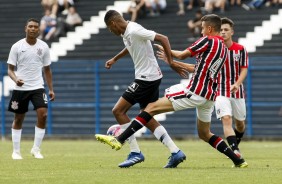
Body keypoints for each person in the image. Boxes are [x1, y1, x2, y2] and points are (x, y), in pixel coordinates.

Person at [96, 14, 248, 168]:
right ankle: (238, 160)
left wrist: (169, 57)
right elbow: (198, 68)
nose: (201, 32)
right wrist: (173, 61)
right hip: (209, 96)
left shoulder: (207, 40)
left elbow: (183, 54)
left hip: (194, 91)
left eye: (202, 28)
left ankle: (120, 139)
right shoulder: (223, 47)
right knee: (204, 134)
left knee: (150, 108)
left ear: (209, 28)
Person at [98, 10, 187, 168]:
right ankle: (175, 151)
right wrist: (115, 59)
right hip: (151, 77)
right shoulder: (127, 33)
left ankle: (135, 152)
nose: (110, 32)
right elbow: (130, 46)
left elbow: (163, 38)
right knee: (147, 116)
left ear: (113, 23)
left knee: (118, 111)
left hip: (146, 78)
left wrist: (171, 62)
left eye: (109, 28)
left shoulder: (135, 29)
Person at [7, 18, 55, 160]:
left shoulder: (44, 47)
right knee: (19, 118)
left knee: (43, 114)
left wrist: (51, 89)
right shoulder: (16, 46)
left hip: (38, 87)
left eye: (35, 27)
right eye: (30, 26)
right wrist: (16, 80)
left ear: (39, 30)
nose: (33, 29)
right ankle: (16, 151)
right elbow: (10, 70)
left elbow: (47, 69)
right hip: (20, 89)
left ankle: (36, 149)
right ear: (25, 28)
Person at [215, 17, 249, 158]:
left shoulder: (240, 49)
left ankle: (236, 143)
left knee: (240, 124)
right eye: (221, 30)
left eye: (226, 30)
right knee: (226, 118)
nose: (223, 32)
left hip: (237, 91)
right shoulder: (215, 50)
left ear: (232, 32)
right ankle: (235, 151)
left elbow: (244, 69)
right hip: (220, 91)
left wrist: (237, 83)